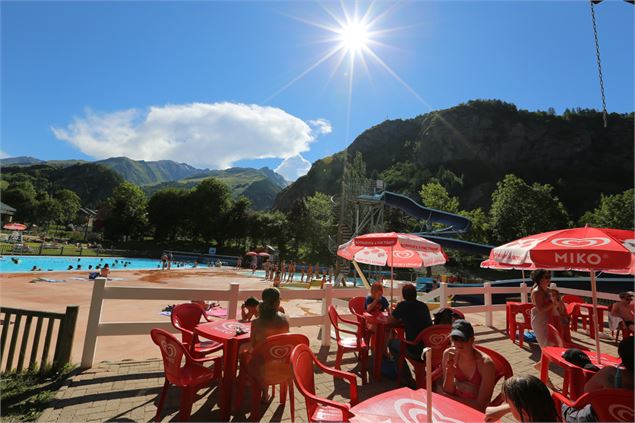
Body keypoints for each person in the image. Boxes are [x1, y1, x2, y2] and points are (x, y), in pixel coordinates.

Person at [441, 319, 497, 412]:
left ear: (472, 340)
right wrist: (449, 374)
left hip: (474, 413)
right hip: (453, 408)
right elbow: (448, 391)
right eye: (455, 339)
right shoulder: (448, 354)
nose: (459, 344)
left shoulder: (486, 364)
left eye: (463, 339)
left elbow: (481, 406)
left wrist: (447, 398)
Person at [387, 283, 433, 384]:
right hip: (428, 345)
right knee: (402, 342)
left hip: (414, 348)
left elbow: (389, 321)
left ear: (403, 296)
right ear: (416, 294)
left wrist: (396, 314)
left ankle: (406, 377)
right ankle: (420, 372)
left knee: (391, 343)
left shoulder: (403, 305)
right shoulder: (423, 306)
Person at [485, 375, 560, 422]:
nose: (506, 405)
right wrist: (503, 409)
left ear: (524, 413)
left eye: (508, 403)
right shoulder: (554, 412)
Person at [530, 269, 555, 351]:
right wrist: (553, 303)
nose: (549, 279)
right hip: (539, 319)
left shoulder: (548, 290)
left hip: (548, 318)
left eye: (550, 276)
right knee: (544, 343)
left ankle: (543, 363)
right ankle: (544, 362)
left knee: (550, 341)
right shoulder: (537, 292)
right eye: (547, 277)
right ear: (540, 279)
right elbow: (540, 310)